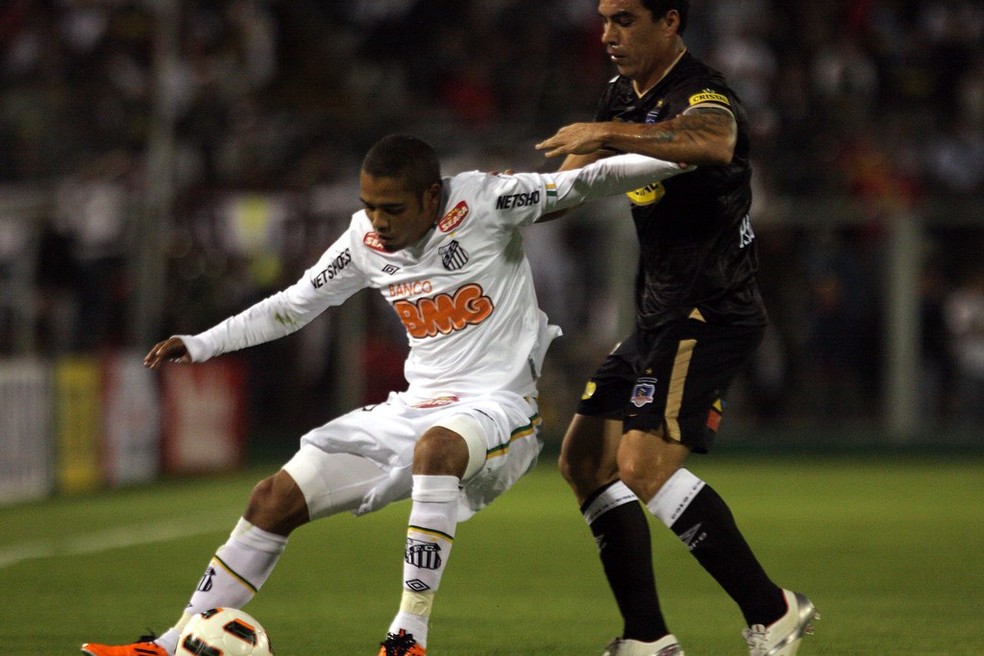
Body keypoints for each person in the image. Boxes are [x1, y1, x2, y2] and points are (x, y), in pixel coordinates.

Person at [80, 134, 691, 656]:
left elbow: (590, 180)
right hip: (414, 406)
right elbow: (293, 307)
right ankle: (170, 643)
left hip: (499, 406)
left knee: (436, 449)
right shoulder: (363, 243)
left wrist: (692, 157)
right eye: (369, 206)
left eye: (392, 208)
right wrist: (201, 342)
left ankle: (407, 634)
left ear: (432, 197)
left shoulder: (485, 200)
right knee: (273, 498)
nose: (378, 221)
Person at [534, 2, 817, 655]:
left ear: (670, 22)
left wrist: (605, 131)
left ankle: (773, 610)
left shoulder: (705, 92)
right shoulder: (620, 97)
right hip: (660, 313)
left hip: (712, 308)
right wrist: (506, 201)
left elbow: (712, 140)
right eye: (603, 18)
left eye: (625, 18)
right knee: (583, 461)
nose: (608, 33)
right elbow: (566, 189)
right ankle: (646, 638)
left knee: (640, 463)